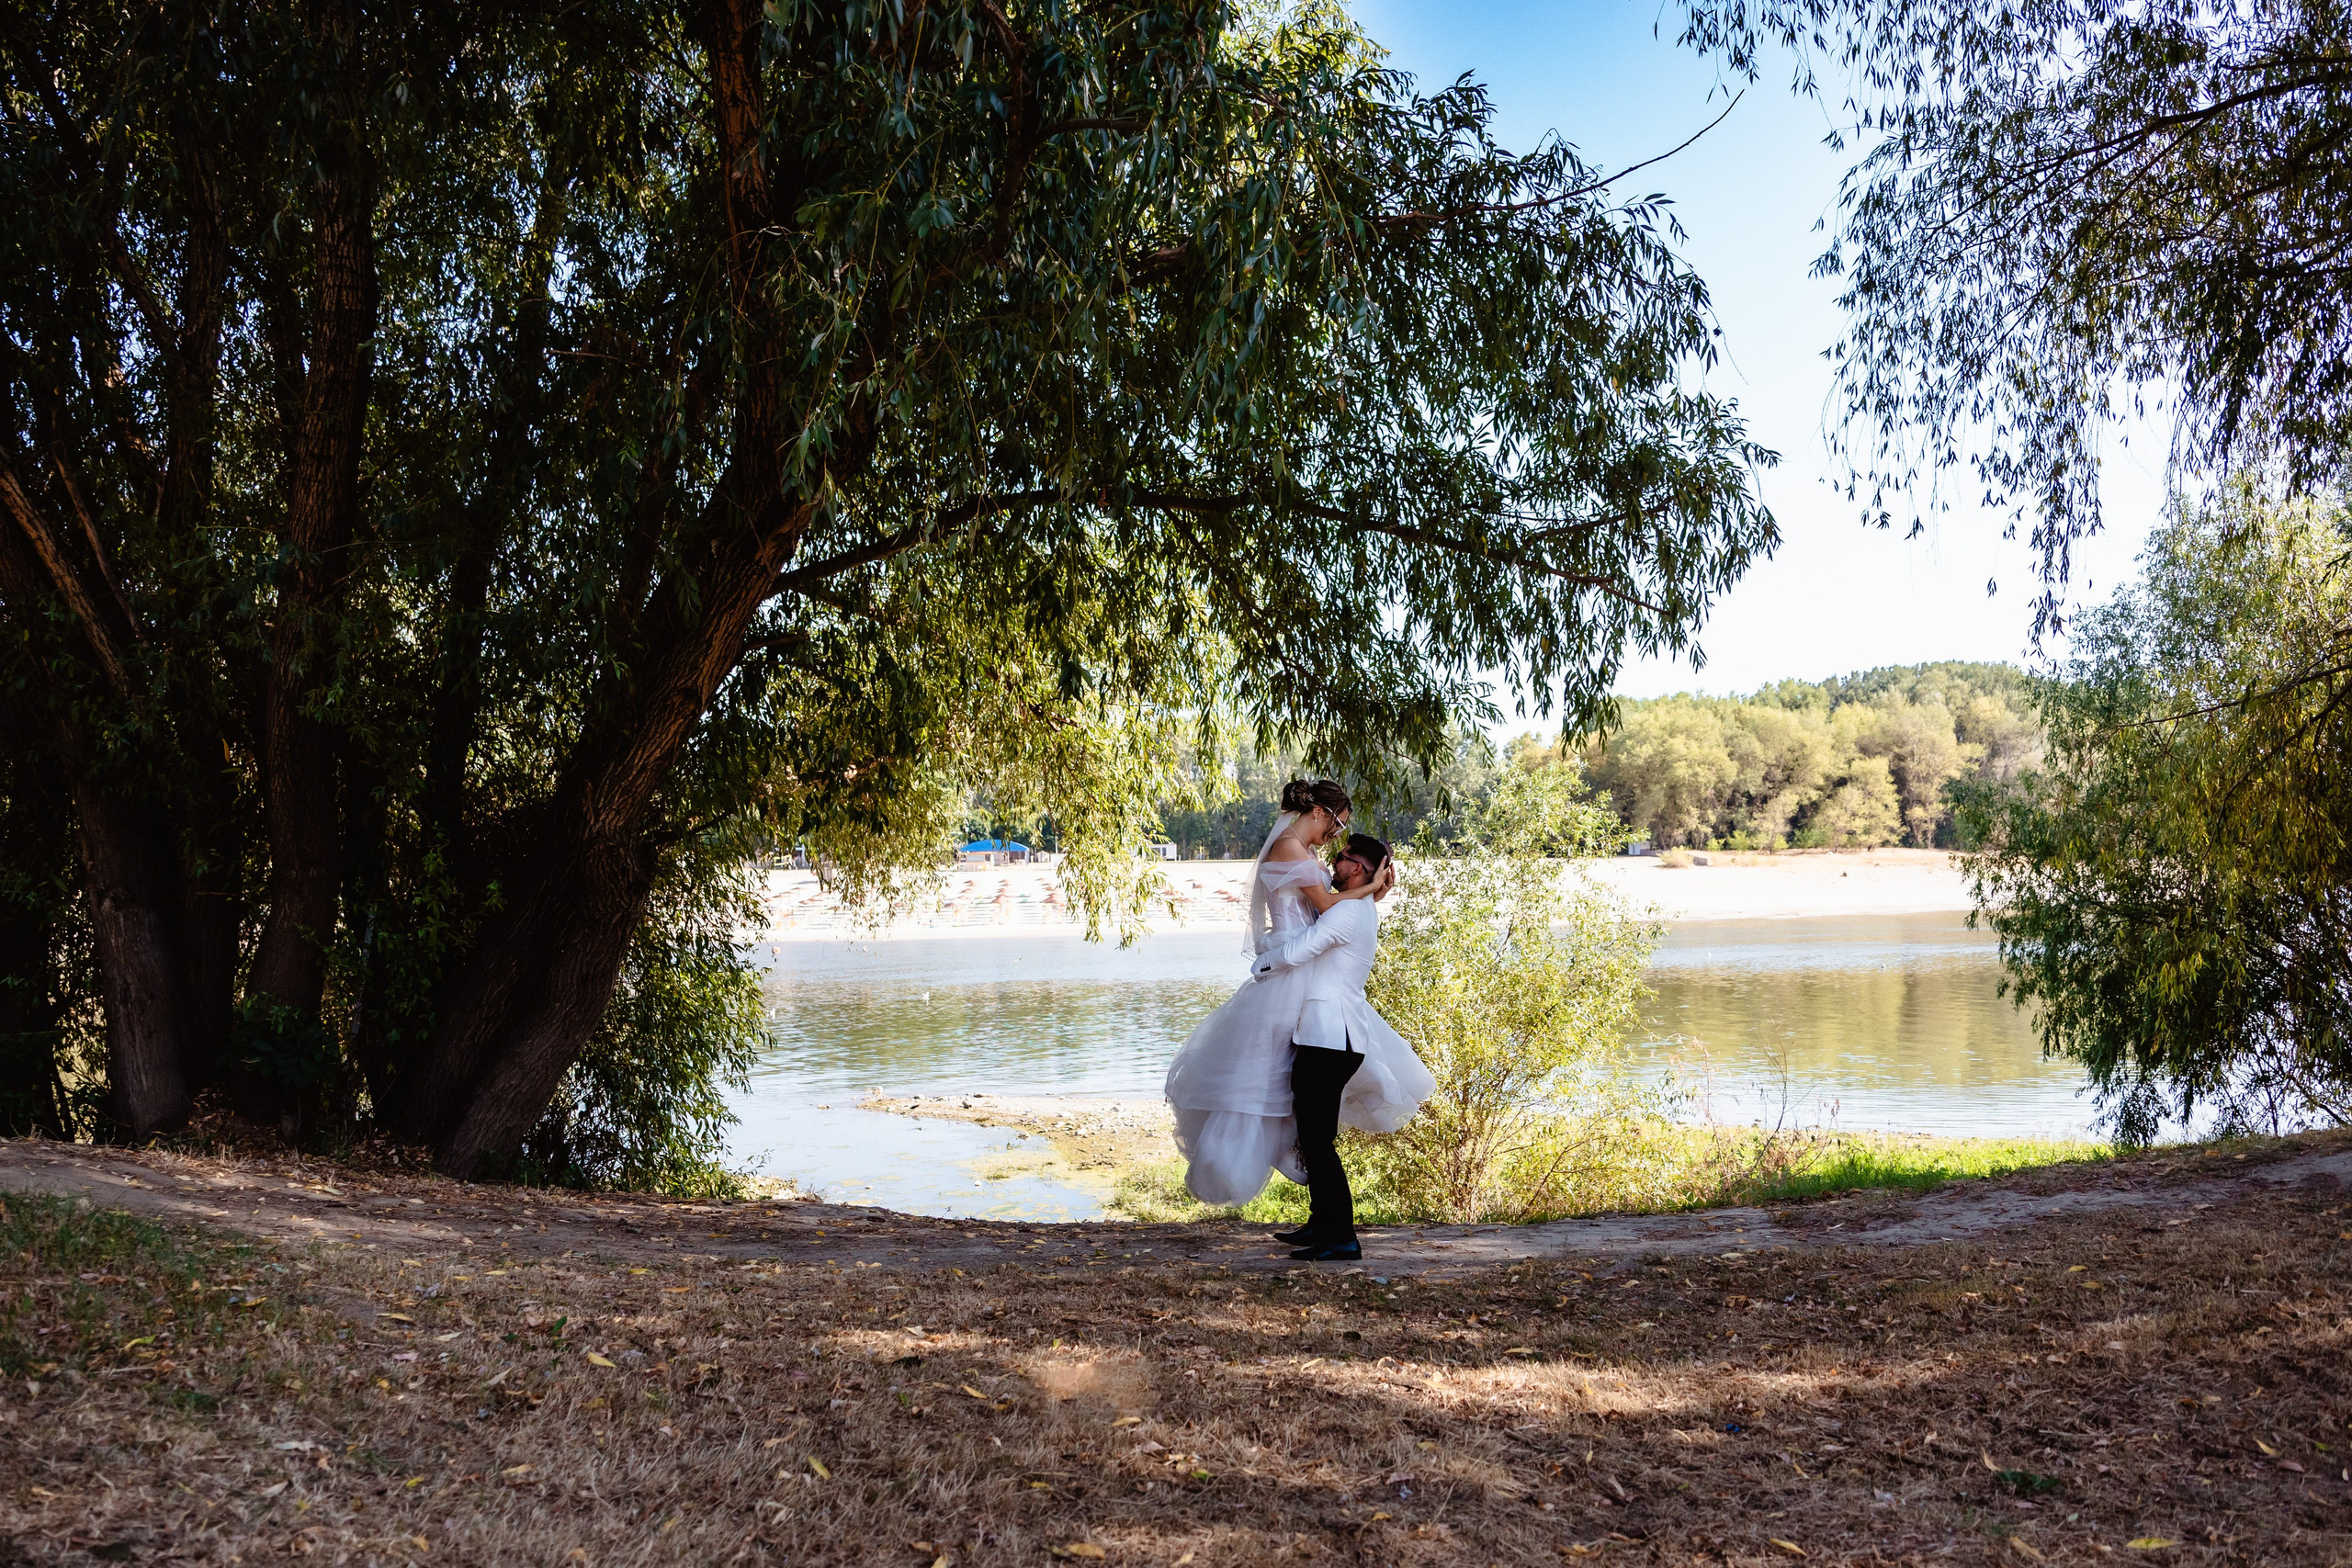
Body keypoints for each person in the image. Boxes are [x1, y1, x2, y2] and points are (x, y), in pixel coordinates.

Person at [1163, 779, 1392, 1204]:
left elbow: (1330, 918)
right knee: (1268, 1066)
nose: (1337, 834)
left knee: (1290, 1067)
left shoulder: (1307, 852)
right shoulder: (1287, 846)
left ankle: (1291, 1144)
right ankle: (1236, 1160)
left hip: (1305, 963)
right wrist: (1369, 890)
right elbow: (1325, 906)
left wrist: (1367, 898)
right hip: (1291, 963)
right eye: (1338, 823)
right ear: (1319, 812)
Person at [1249, 831, 1433, 1260]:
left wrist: (1262, 966)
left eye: (1344, 856)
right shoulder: (1361, 907)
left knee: (1317, 1142)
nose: (1336, 860)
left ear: (1358, 869)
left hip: (1329, 1038)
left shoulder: (1348, 911)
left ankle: (1342, 1238)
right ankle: (1322, 1223)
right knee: (1315, 1134)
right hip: (1334, 1037)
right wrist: (1375, 891)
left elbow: (1302, 949)